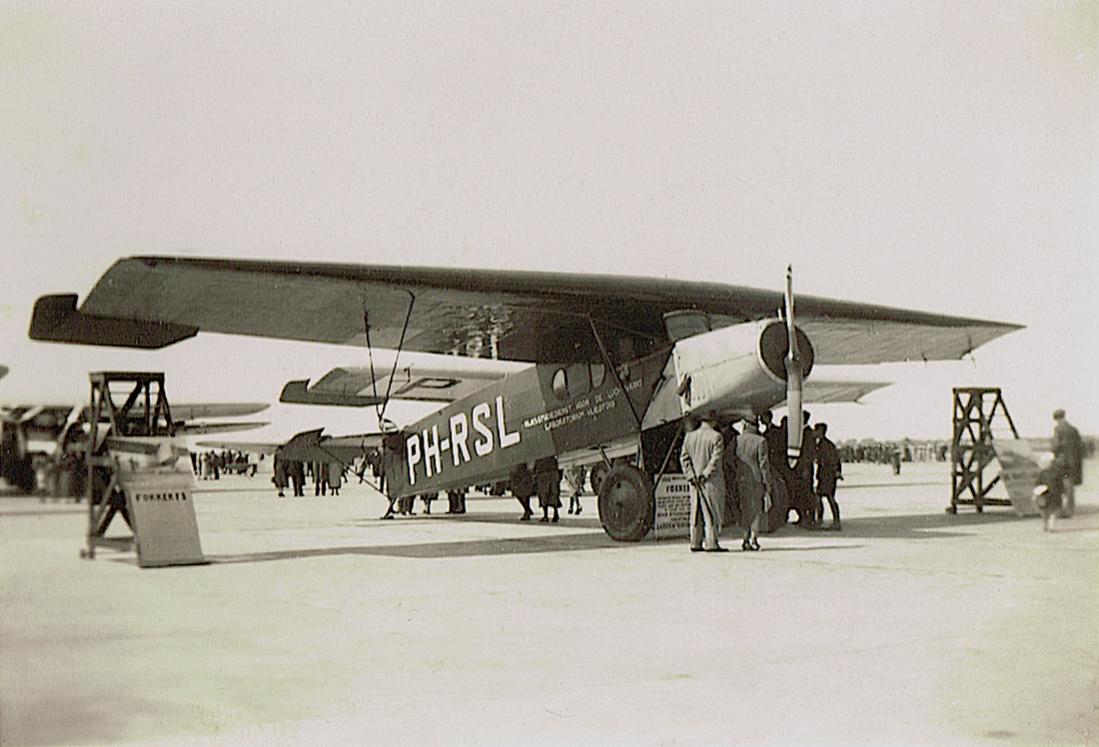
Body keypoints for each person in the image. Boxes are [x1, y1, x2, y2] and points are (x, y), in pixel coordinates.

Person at [679, 413, 727, 552]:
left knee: (696, 512)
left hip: (694, 483)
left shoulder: (689, 437)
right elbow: (715, 460)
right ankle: (712, 543)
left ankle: (695, 542)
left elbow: (684, 458)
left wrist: (691, 475)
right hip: (710, 482)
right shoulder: (716, 437)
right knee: (711, 512)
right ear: (713, 421)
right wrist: (704, 475)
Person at [733, 418, 773, 551]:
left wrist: (738, 470)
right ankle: (754, 539)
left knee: (744, 509)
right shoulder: (761, 441)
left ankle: (745, 538)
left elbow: (728, 458)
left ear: (745, 425)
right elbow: (764, 465)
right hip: (756, 481)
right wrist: (767, 484)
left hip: (741, 480)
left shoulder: (737, 439)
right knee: (756, 510)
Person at [1052, 409, 1083, 519]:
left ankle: (1065, 510)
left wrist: (1053, 453)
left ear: (1056, 418)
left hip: (1063, 463)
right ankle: (1070, 509)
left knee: (1063, 485)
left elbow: (1056, 446)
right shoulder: (1073, 430)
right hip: (1073, 463)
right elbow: (1080, 446)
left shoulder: (1058, 429)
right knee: (1070, 485)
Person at [813, 422, 843, 530]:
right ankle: (831, 520)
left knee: (828, 498)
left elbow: (834, 461)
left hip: (827, 476)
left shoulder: (826, 445)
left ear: (820, 431)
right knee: (823, 498)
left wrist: (836, 472)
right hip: (825, 475)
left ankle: (834, 521)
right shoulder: (823, 444)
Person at [1033, 452, 1064, 532]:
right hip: (1048, 495)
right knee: (1048, 512)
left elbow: (1060, 484)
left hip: (1052, 495)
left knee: (1052, 512)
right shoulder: (1044, 473)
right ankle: (1047, 525)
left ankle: (1051, 526)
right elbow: (1037, 484)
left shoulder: (1046, 473)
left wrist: (1063, 493)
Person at [534, 455, 562, 523]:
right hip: (551, 475)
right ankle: (554, 514)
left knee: (545, 496)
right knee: (552, 495)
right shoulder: (552, 456)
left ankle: (547, 515)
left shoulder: (539, 457)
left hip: (544, 476)